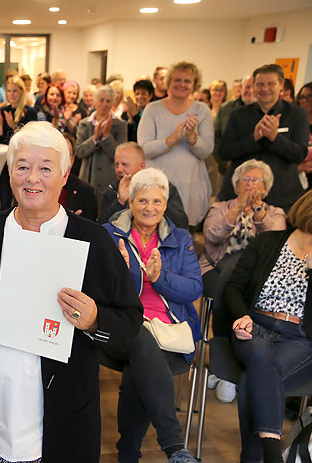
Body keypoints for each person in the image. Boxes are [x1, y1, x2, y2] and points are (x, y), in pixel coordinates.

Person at [0, 121, 143, 462]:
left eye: (45, 168)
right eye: (22, 167)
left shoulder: (92, 241)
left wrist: (94, 320)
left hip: (64, 420)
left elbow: (130, 322)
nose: (32, 178)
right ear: (10, 172)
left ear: (65, 173)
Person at [102, 167, 201, 463]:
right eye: (143, 201)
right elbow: (96, 289)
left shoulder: (180, 238)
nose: (150, 208)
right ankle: (174, 446)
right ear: (130, 203)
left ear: (165, 205)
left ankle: (128, 454)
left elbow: (194, 288)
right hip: (122, 325)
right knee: (139, 336)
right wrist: (117, 273)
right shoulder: (110, 234)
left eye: (157, 202)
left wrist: (160, 279)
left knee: (141, 366)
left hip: (170, 330)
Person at [223, 190, 312, 463]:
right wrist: (241, 315)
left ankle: (255, 458)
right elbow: (234, 288)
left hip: (297, 337)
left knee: (254, 379)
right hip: (255, 325)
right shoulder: (268, 242)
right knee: (261, 356)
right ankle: (272, 456)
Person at [199, 159, 286, 403]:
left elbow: (276, 244)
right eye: (245, 180)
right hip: (216, 269)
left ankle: (232, 365)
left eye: (256, 180)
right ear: (236, 184)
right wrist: (237, 210)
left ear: (266, 188)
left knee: (243, 292)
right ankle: (224, 365)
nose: (250, 185)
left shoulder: (275, 213)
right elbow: (211, 235)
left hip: (255, 278)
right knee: (226, 288)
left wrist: (258, 214)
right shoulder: (220, 207)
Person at [218, 64, 310, 211]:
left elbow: (299, 154)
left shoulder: (297, 114)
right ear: (253, 86)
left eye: (271, 84)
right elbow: (225, 152)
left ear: (281, 86)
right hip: (239, 195)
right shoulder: (238, 115)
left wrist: (275, 138)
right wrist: (253, 139)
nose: (265, 89)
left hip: (281, 197)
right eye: (260, 84)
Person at [138, 61, 214, 228]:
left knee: (182, 234)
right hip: (157, 186)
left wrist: (192, 137)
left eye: (187, 81)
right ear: (169, 82)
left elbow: (207, 150)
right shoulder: (153, 109)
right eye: (177, 80)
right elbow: (144, 148)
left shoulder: (202, 110)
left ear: (195, 85)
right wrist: (171, 140)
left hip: (190, 186)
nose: (181, 84)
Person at [98, 142, 188, 228]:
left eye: (124, 164)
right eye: (116, 165)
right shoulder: (111, 191)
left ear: (142, 166)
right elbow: (102, 226)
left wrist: (159, 201)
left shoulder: (164, 187)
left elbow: (181, 223)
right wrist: (120, 202)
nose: (119, 169)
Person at [74, 85, 127, 207]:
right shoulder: (84, 123)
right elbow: (79, 151)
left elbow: (120, 156)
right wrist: (94, 139)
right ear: (95, 101)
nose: (104, 104)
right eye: (101, 100)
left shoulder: (120, 125)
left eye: (108, 101)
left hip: (109, 180)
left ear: (113, 103)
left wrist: (106, 137)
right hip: (87, 179)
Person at [0, 76, 39, 210]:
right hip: (6, 159)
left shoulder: (30, 112)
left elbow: (29, 139)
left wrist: (13, 125)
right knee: (4, 196)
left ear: (21, 91)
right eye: (9, 91)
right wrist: (0, 127)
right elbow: (1, 141)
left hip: (23, 159)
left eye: (14, 91)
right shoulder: (3, 111)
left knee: (21, 197)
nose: (11, 94)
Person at [213, 75, 256, 179]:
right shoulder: (225, 108)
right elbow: (215, 137)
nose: (250, 91)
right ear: (241, 88)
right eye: (247, 87)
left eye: (253, 87)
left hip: (254, 172)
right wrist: (223, 162)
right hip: (228, 169)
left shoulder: (265, 110)